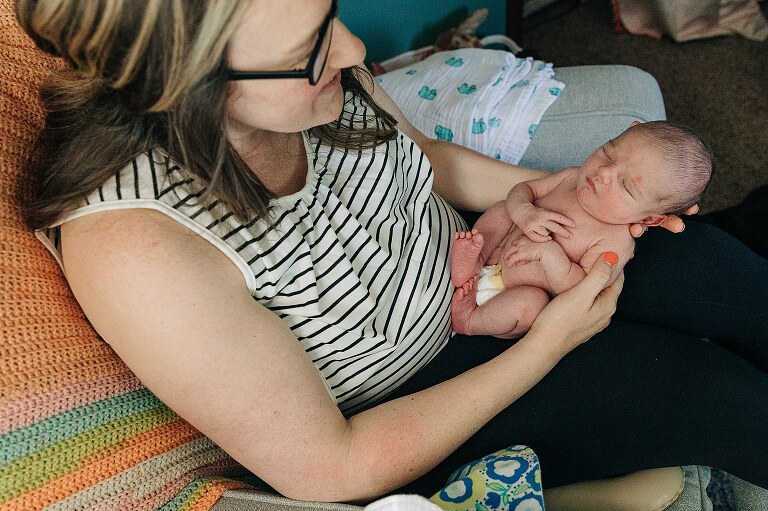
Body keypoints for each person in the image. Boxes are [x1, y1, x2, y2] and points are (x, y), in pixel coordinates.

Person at [14, 0, 768, 505]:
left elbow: (425, 163)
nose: (354, 47)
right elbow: (332, 465)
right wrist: (547, 343)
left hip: (485, 256)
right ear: (178, 81)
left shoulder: (323, 87)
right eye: (310, 46)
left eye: (330, 13)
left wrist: (577, 203)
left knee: (709, 268)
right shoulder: (138, 244)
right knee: (709, 394)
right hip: (418, 395)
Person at [451, 120, 713, 338]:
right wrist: (525, 212)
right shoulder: (572, 178)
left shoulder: (615, 243)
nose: (604, 171)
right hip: (499, 251)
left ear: (651, 220)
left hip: (511, 294)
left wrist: (550, 254)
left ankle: (472, 321)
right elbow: (525, 190)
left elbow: (581, 289)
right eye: (609, 151)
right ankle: (475, 260)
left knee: (531, 307)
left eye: (626, 186)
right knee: (503, 210)